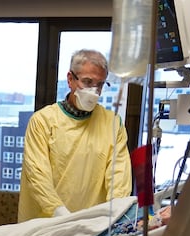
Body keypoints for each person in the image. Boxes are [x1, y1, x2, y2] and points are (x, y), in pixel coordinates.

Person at [18, 49, 132, 222]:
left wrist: (114, 216)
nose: (94, 91)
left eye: (100, 84)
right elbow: (38, 176)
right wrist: (64, 218)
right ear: (70, 79)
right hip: (46, 224)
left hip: (91, 227)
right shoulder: (43, 121)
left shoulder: (112, 124)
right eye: (87, 82)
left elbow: (119, 180)